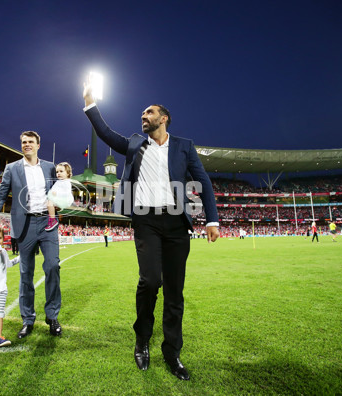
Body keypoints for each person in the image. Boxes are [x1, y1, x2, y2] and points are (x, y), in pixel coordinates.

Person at [83, 80, 220, 381]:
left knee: (174, 291)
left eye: (149, 113)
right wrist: (91, 104)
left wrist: (212, 220)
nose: (143, 117)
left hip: (175, 224)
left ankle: (172, 353)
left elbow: (204, 182)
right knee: (150, 280)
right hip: (145, 221)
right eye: (142, 114)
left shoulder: (184, 146)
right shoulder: (134, 143)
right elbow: (105, 133)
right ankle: (141, 340)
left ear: (164, 118)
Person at [0, 131, 63, 339]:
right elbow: (0, 196)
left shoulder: (49, 167)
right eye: (23, 142)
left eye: (30, 142)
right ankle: (28, 319)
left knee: (52, 266)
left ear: (38, 145)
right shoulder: (12, 169)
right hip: (24, 224)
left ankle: (52, 316)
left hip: (47, 222)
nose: (26, 145)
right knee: (26, 273)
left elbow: (58, 192)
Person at [45, 162, 74, 231]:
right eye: (57, 172)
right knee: (48, 204)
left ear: (67, 173)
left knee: (49, 204)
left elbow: (66, 193)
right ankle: (54, 212)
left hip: (63, 198)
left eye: (61, 171)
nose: (58, 173)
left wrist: (56, 194)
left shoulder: (66, 182)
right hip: (57, 198)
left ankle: (52, 220)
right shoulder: (59, 181)